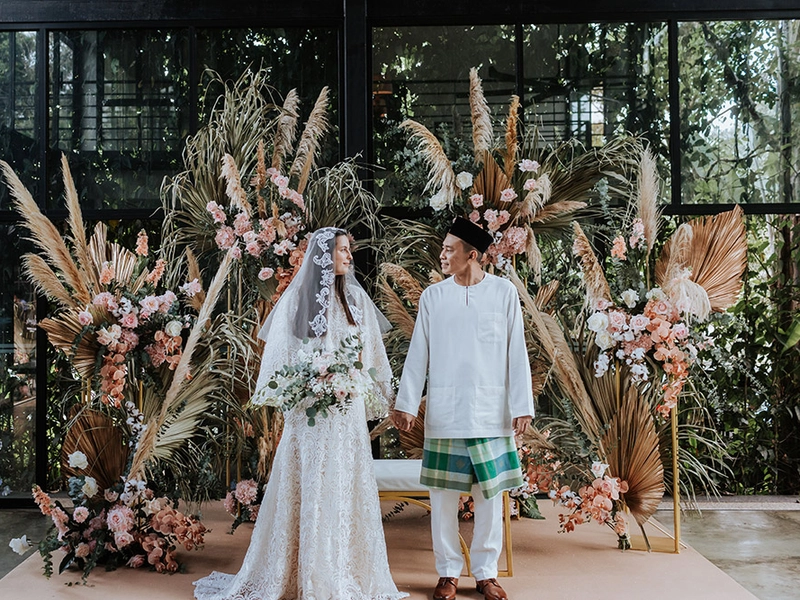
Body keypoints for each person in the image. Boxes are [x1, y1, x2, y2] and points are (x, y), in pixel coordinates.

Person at [194, 227, 407, 600]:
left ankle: (341, 571)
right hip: (309, 415)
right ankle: (303, 573)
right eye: (342, 250)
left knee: (343, 487)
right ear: (323, 256)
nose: (349, 256)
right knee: (309, 486)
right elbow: (281, 364)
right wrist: (311, 383)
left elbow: (373, 357)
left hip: (347, 415)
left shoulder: (357, 300)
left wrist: (384, 397)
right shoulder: (295, 302)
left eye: (349, 250)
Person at [392, 217, 534, 600]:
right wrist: (406, 404)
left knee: (489, 497)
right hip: (446, 412)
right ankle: (447, 573)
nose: (442, 255)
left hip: (492, 412)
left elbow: (516, 351)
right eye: (442, 248)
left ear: (472, 255)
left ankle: (486, 573)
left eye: (449, 249)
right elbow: (418, 353)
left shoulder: (503, 293)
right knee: (442, 498)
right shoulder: (433, 297)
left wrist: (522, 405)